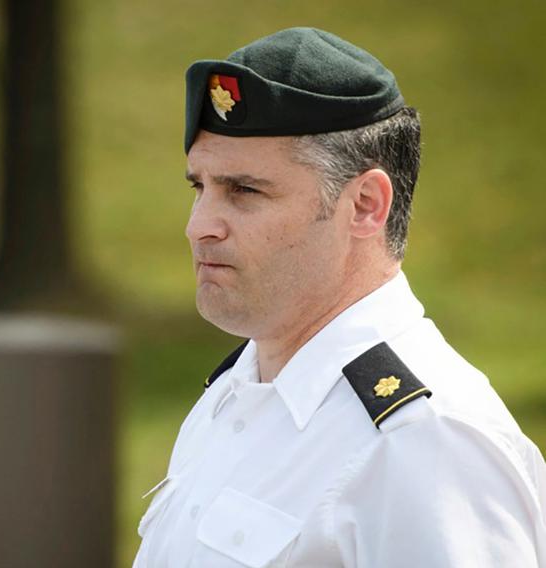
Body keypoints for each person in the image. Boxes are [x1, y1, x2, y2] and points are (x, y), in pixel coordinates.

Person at [132, 27, 546, 567]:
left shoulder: (425, 441)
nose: (200, 226)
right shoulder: (238, 390)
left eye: (245, 191)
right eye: (199, 187)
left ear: (365, 205)